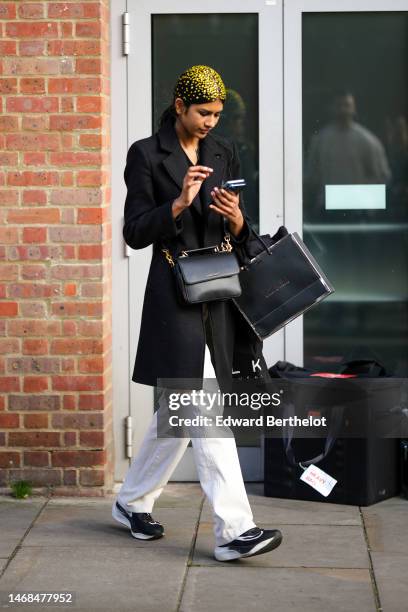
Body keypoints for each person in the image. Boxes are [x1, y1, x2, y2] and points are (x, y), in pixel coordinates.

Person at [112, 65, 283, 562]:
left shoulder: (222, 150)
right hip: (174, 296)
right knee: (203, 405)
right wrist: (180, 202)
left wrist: (238, 218)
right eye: (204, 113)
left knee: (180, 410)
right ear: (179, 106)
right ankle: (235, 531)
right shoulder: (146, 154)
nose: (211, 122)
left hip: (218, 290)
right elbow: (135, 231)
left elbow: (240, 235)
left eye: (217, 114)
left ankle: (131, 502)